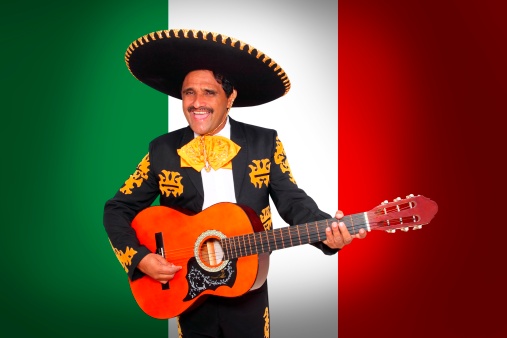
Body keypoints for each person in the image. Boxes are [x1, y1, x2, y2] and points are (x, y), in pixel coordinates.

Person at [104, 28, 366, 338]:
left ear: (230, 97)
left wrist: (327, 232)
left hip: (248, 289)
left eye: (209, 92)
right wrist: (140, 258)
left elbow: (294, 202)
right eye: (189, 92)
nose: (196, 102)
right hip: (187, 292)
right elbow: (117, 208)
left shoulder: (263, 143)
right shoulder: (162, 150)